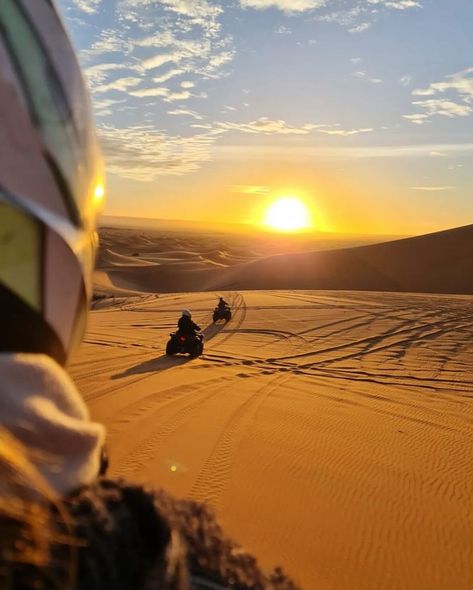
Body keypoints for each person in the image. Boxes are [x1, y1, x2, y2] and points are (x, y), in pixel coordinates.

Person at [0, 2, 298, 589]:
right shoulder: (145, 560)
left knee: (194, 331)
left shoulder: (127, 553)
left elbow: (199, 321)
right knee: (181, 336)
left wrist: (196, 331)